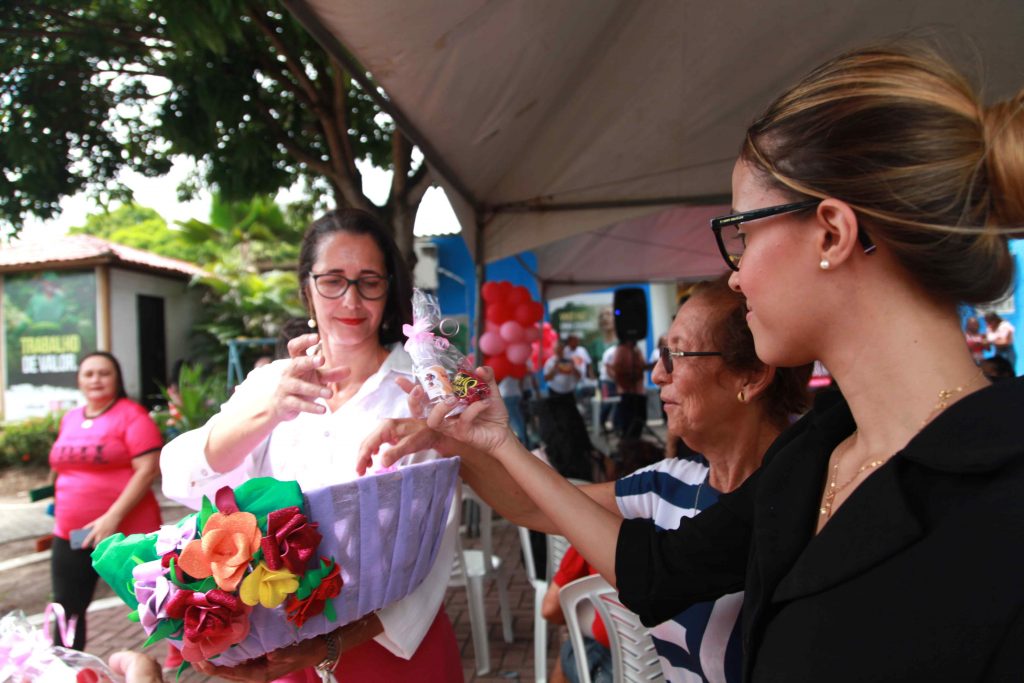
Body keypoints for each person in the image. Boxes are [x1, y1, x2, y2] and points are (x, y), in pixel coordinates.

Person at [363, 42, 1024, 681]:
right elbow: (657, 572)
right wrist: (495, 442)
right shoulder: (818, 451)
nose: (734, 276)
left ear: (830, 230)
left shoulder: (996, 491)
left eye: (742, 232)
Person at [358, 277, 812, 682]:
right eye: (660, 355)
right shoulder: (667, 484)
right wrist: (461, 444)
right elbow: (535, 505)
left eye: (676, 356)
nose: (656, 374)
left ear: (751, 377)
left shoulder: (817, 501)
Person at [160, 208, 462, 682]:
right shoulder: (270, 383)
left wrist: (329, 643)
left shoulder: (418, 392)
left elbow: (435, 546)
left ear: (389, 288)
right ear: (307, 288)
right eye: (333, 281)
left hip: (389, 651)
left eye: (369, 281)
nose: (351, 299)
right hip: (280, 648)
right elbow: (182, 477)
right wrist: (268, 409)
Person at [48, 351, 163, 650]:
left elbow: (148, 468)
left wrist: (112, 516)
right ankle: (68, 669)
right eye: (89, 374)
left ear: (117, 379)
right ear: (79, 380)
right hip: (75, 533)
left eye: (104, 373)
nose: (95, 379)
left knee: (160, 602)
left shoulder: (132, 415)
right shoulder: (71, 418)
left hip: (127, 533)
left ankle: (181, 659)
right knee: (67, 607)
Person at [608, 338, 647, 437]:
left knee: (639, 420)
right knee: (628, 422)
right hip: (627, 392)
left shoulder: (636, 350)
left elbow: (641, 366)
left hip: (638, 392)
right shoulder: (621, 350)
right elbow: (616, 369)